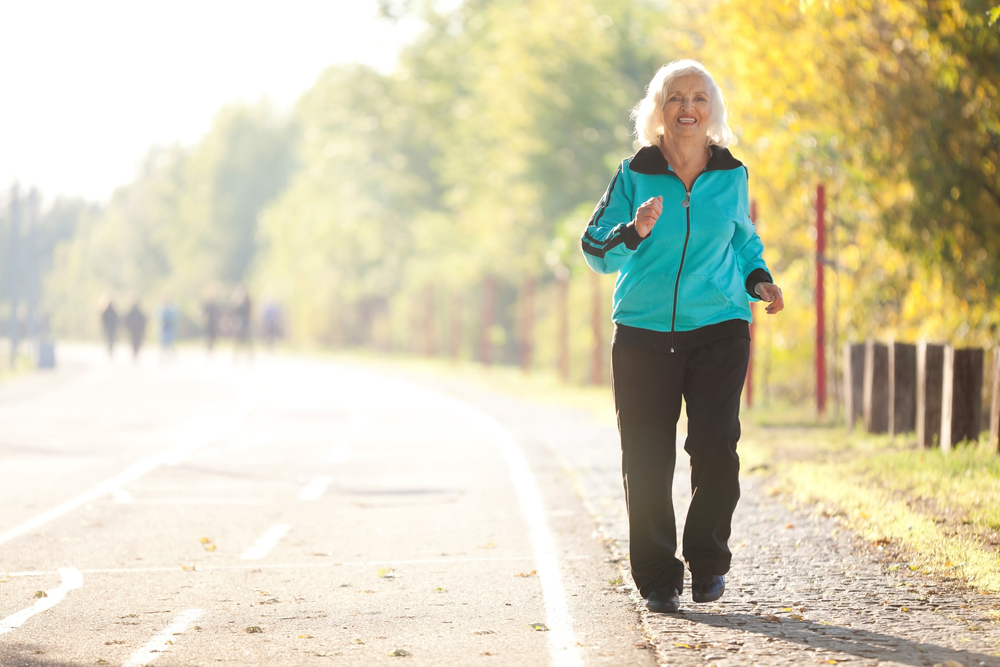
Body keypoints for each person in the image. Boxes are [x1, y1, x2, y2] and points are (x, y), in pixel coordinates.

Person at [581, 60, 784, 614]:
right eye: (675, 98)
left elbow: (743, 240)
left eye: (698, 98)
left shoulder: (731, 174)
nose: (687, 108)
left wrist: (759, 277)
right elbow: (594, 249)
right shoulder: (633, 174)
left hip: (719, 327)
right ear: (658, 110)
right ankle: (657, 577)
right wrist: (635, 231)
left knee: (716, 446)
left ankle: (708, 560)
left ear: (711, 110)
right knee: (646, 457)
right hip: (644, 334)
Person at [98, 293, 118, 358]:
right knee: (111, 340)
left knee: (108, 340)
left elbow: (103, 320)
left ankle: (109, 351)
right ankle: (110, 351)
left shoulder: (105, 311)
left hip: (108, 328)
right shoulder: (113, 310)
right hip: (111, 328)